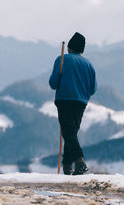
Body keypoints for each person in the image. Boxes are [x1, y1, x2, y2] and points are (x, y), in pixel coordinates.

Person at [49, 32, 97, 175]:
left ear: (69, 47)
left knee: (68, 133)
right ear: (82, 49)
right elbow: (93, 89)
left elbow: (53, 83)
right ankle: (68, 166)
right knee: (71, 133)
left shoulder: (62, 59)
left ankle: (79, 162)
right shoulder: (89, 64)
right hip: (81, 102)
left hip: (64, 100)